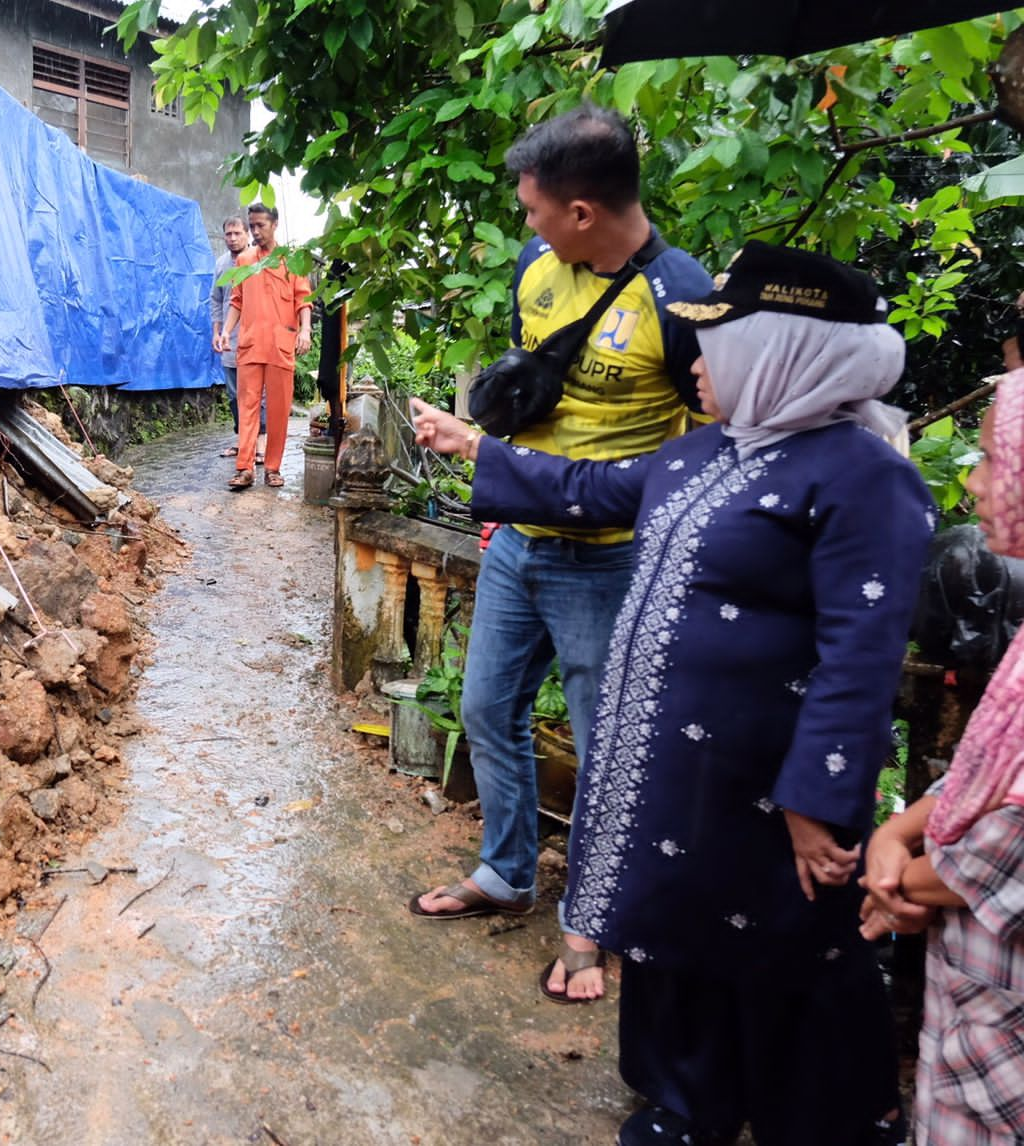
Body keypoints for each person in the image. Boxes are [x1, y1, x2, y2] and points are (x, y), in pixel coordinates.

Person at [413, 241, 932, 1145]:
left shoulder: (864, 476)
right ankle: (683, 1103)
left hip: (767, 788)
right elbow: (584, 488)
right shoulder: (700, 457)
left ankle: (808, 1117)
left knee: (776, 946)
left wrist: (819, 796)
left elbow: (863, 652)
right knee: (669, 925)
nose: (696, 362)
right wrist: (478, 447)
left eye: (716, 343)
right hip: (670, 774)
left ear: (779, 355)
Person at [406, 104, 712, 1008]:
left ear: (584, 211)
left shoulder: (683, 298)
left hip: (609, 562)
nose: (527, 224)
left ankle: (591, 919)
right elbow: (532, 384)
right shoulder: (539, 270)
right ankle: (507, 871)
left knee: (603, 744)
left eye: (537, 208)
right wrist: (491, 435)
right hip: (520, 545)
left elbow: (691, 463)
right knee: (485, 708)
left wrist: (486, 456)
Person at [859, 370, 1024, 1145]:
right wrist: (895, 839)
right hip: (972, 984)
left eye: (995, 458)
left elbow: (1006, 849)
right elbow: (981, 769)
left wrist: (896, 876)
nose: (974, 478)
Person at [215, 202, 311, 491]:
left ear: (275, 224)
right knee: (247, 407)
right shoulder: (244, 261)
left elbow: (303, 299)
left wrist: (305, 330)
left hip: (281, 344)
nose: (255, 232)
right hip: (250, 344)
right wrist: (225, 332)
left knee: (280, 410)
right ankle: (245, 468)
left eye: (260, 226)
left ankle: (272, 468)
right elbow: (236, 302)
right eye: (252, 226)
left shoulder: (292, 260)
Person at [210, 215, 264, 457]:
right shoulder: (221, 264)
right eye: (228, 234)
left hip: (255, 338)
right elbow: (217, 299)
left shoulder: (258, 262)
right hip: (229, 341)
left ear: (247, 235)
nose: (232, 238)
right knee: (234, 394)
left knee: (256, 394)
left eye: (237, 233)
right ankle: (243, 441)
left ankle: (260, 445)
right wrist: (217, 331)